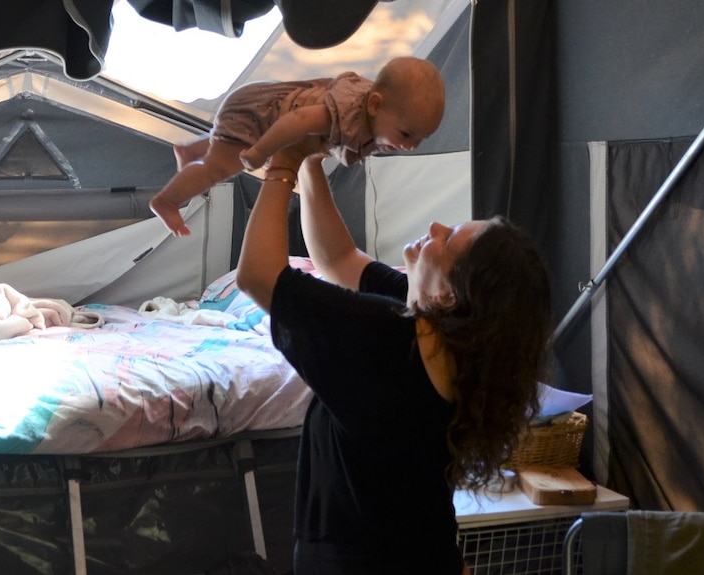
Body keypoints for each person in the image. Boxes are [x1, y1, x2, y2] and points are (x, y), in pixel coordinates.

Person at [235, 140, 553, 574]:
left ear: (448, 294)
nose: (437, 227)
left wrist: (282, 167)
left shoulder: (386, 337)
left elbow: (257, 275)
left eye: (450, 240)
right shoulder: (445, 340)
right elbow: (338, 258)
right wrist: (311, 161)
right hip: (423, 553)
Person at [150, 56, 446, 237]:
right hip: (258, 112)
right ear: (375, 105)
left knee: (224, 143)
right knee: (222, 166)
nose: (411, 146)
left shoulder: (376, 107)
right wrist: (260, 152)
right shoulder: (341, 113)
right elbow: (298, 120)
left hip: (265, 109)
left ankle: (191, 150)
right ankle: (167, 201)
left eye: (420, 139)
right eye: (406, 135)